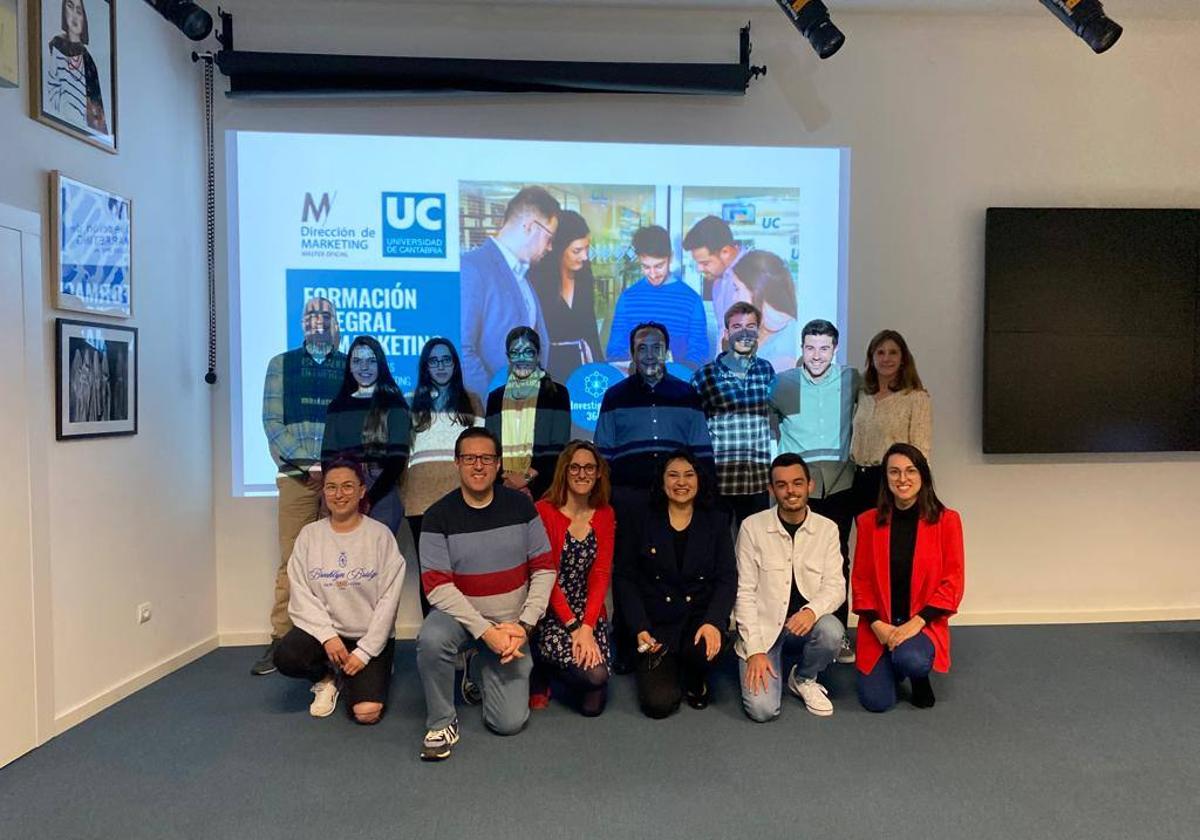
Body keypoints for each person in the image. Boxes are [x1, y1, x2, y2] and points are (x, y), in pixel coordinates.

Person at [416, 428, 556, 760]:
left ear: (498, 465)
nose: (478, 466)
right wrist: (484, 632)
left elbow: (545, 568)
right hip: (463, 620)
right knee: (432, 638)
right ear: (456, 463)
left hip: (511, 625)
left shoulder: (522, 507)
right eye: (469, 458)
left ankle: (476, 663)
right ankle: (442, 721)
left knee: (508, 724)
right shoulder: (437, 516)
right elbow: (436, 587)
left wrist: (523, 626)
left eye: (486, 458)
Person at [272, 459, 405, 724]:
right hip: (328, 638)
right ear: (324, 492)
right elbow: (301, 595)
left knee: (366, 713)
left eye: (347, 486)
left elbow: (389, 601)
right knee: (286, 656)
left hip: (368, 637)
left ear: (361, 490)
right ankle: (328, 677)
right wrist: (327, 636)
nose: (339, 494)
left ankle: (372, 668)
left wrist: (365, 651)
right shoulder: (310, 536)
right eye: (331, 487)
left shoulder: (380, 536)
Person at [254, 297, 346, 675]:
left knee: (339, 563)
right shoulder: (281, 365)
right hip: (295, 477)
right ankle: (281, 640)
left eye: (325, 316)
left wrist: (328, 467)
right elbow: (272, 422)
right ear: (302, 323)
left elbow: (350, 421)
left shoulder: (347, 365)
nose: (318, 321)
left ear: (335, 322)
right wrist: (307, 465)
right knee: (292, 560)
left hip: (340, 477)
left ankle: (337, 639)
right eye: (311, 315)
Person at [613, 450, 736, 718]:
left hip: (699, 620)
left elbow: (727, 578)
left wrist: (714, 621)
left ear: (699, 481)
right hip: (656, 625)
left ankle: (695, 676)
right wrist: (640, 626)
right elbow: (624, 577)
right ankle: (671, 667)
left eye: (689, 475)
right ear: (662, 481)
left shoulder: (715, 521)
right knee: (658, 705)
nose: (681, 482)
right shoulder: (640, 520)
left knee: (705, 652)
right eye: (673, 475)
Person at [771, 319, 861, 663]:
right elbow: (767, 421)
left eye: (824, 348)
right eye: (810, 348)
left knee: (837, 561)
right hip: (799, 486)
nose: (817, 355)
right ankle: (785, 631)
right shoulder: (783, 384)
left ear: (835, 348)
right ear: (802, 348)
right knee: (789, 559)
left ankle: (837, 636)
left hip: (840, 483)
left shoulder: (852, 380)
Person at [852, 443, 964, 712]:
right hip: (880, 625)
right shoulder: (868, 521)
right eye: (894, 472)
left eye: (910, 471)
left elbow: (953, 581)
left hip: (920, 622)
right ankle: (894, 657)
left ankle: (915, 671)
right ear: (885, 478)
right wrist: (877, 624)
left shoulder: (947, 521)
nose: (902, 479)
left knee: (912, 660)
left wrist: (917, 623)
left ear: (923, 475)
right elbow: (861, 580)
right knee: (877, 703)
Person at [734, 454, 845, 722]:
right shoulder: (752, 527)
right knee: (762, 710)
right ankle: (765, 656)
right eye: (781, 485)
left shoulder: (827, 529)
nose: (790, 491)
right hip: (764, 627)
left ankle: (804, 677)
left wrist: (811, 611)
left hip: (805, 624)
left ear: (810, 485)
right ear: (771, 490)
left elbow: (836, 586)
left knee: (832, 631)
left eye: (797, 483)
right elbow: (744, 593)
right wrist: (756, 650)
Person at [529, 441, 616, 716]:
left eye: (589, 467)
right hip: (551, 611)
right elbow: (545, 575)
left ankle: (562, 667)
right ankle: (543, 666)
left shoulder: (605, 514)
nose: (582, 473)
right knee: (591, 676)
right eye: (575, 467)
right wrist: (573, 627)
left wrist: (588, 628)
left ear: (598, 473)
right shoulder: (544, 511)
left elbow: (601, 574)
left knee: (594, 695)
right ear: (564, 472)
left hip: (589, 612)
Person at [401, 338, 483, 616]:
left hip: (463, 499)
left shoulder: (471, 401)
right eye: (433, 361)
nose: (440, 366)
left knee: (465, 573)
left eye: (446, 359)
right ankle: (434, 639)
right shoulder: (410, 403)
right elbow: (403, 457)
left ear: (455, 364)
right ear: (425, 366)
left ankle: (467, 639)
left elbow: (481, 450)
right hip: (420, 503)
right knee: (431, 576)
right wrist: (405, 497)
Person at [459, 187, 561, 397]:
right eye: (549, 238)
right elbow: (462, 350)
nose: (550, 247)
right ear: (531, 227)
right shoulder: (473, 268)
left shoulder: (522, 276)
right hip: (494, 414)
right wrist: (491, 408)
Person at [690, 302, 777, 532]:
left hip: (756, 481)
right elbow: (694, 432)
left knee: (757, 551)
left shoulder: (766, 371)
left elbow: (773, 424)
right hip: (720, 483)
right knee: (718, 552)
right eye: (737, 326)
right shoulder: (704, 376)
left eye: (751, 326)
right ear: (727, 332)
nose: (745, 332)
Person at [321, 336, 411, 536]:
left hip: (381, 491)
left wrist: (368, 498)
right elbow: (327, 459)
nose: (364, 367)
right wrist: (341, 492)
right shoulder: (337, 406)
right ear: (349, 366)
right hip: (342, 488)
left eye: (371, 361)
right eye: (357, 361)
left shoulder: (395, 404)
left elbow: (397, 461)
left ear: (381, 364)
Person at [484, 327, 572, 502]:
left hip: (545, 490)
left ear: (538, 355)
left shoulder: (557, 394)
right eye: (515, 353)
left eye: (528, 352)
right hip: (503, 490)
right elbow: (491, 449)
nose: (522, 358)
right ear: (508, 357)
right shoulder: (495, 398)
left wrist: (524, 481)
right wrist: (509, 483)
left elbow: (559, 448)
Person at [850, 329, 932, 514]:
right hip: (860, 480)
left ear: (903, 358)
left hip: (893, 481)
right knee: (867, 539)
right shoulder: (863, 395)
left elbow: (921, 450)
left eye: (893, 352)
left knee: (891, 540)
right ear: (871, 358)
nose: (886, 358)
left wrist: (916, 487)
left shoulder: (915, 398)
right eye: (880, 352)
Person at [604, 226, 709, 369]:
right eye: (646, 267)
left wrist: (676, 375)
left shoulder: (692, 300)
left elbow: (698, 353)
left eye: (659, 266)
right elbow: (615, 351)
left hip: (676, 385)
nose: (652, 274)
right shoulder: (628, 299)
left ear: (670, 257)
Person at [531, 210, 604, 383]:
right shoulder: (537, 280)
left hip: (581, 367)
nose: (584, 256)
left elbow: (590, 328)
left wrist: (601, 368)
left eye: (587, 248)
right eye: (577, 250)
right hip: (546, 369)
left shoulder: (584, 276)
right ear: (558, 249)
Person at [730, 251, 799, 373]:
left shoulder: (787, 349)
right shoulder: (757, 330)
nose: (733, 298)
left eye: (737, 289)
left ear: (756, 290)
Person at [45, 0, 108, 134]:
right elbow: (50, 89)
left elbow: (97, 118)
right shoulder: (55, 46)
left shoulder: (89, 62)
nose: (74, 15)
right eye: (70, 7)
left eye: (79, 11)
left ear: (84, 19)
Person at [683, 215, 744, 350]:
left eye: (705, 263)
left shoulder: (751, 277)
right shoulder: (718, 282)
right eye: (697, 263)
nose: (700, 269)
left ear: (726, 252)